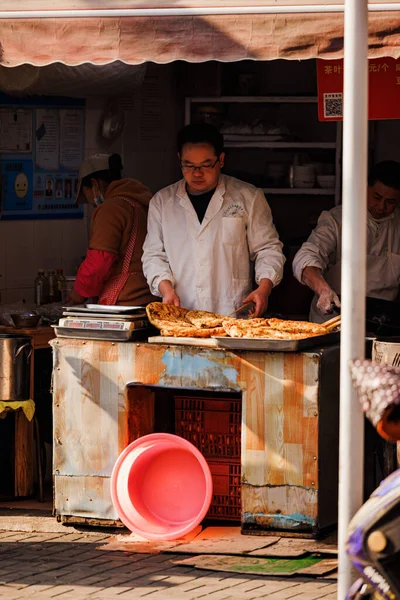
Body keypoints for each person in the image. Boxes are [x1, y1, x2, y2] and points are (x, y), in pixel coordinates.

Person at [142, 124, 285, 316]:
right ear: (179, 160)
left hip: (233, 314)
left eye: (205, 165)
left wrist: (264, 289)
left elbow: (268, 249)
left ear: (222, 160)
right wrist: (166, 289)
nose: (197, 173)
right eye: (189, 165)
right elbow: (153, 255)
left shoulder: (248, 197)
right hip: (180, 313)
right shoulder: (162, 202)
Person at [293, 161, 400, 322]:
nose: (381, 206)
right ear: (365, 187)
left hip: (382, 324)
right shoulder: (336, 219)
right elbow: (305, 257)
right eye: (376, 197)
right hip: (332, 320)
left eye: (390, 202)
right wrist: (323, 290)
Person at [69, 153, 155, 306]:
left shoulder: (111, 209)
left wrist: (78, 293)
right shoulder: (143, 203)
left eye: (85, 193)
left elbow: (100, 260)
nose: (91, 202)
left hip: (125, 300)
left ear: (95, 184)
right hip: (151, 297)